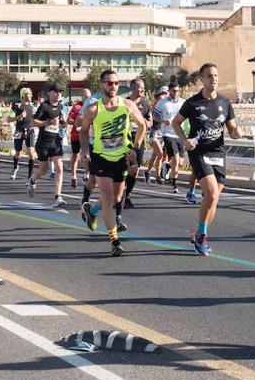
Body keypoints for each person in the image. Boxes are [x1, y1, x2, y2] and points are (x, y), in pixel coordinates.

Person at [169, 62, 242, 256]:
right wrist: (185, 141)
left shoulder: (225, 102)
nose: (213, 79)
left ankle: (197, 232)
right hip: (199, 152)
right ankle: (202, 236)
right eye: (209, 76)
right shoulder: (192, 103)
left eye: (216, 75)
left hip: (218, 153)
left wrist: (236, 132)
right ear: (202, 79)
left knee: (214, 198)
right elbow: (176, 123)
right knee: (211, 193)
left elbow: (232, 128)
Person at [79, 70, 149, 256]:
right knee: (109, 198)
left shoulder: (127, 105)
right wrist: (85, 151)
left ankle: (92, 210)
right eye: (109, 83)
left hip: (121, 157)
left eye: (116, 83)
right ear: (102, 85)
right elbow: (84, 131)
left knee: (118, 197)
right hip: (101, 156)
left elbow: (142, 125)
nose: (113, 86)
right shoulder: (93, 109)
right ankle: (114, 241)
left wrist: (135, 147)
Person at [32, 84, 68, 209]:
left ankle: (58, 196)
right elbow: (34, 122)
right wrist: (49, 122)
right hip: (43, 142)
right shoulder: (44, 106)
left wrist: (63, 124)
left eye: (60, 92)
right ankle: (32, 180)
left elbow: (62, 123)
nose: (59, 94)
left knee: (59, 168)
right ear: (49, 93)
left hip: (55, 141)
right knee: (43, 170)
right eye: (56, 92)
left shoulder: (61, 106)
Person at [121, 77, 152, 212]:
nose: (142, 89)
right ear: (133, 88)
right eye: (140, 87)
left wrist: (146, 122)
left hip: (139, 137)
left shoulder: (146, 104)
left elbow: (150, 122)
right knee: (124, 168)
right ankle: (120, 195)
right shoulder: (125, 102)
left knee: (135, 170)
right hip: (125, 138)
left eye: (143, 87)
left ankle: (125, 195)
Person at [154, 83, 184, 190]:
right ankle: (174, 185)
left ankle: (167, 165)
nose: (175, 93)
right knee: (175, 159)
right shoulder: (163, 103)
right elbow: (155, 116)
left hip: (180, 134)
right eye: (173, 91)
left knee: (180, 163)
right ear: (169, 91)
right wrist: (163, 121)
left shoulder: (183, 102)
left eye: (177, 91)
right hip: (167, 134)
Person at [10, 89, 37, 187]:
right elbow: (9, 119)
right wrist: (20, 116)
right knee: (18, 153)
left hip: (30, 131)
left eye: (31, 93)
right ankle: (15, 167)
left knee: (31, 154)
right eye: (28, 94)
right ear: (23, 95)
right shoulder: (17, 107)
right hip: (19, 131)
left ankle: (29, 177)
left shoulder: (33, 106)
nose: (31, 95)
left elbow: (36, 118)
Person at [68, 88, 90, 186]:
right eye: (86, 97)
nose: (89, 99)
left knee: (87, 156)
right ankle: (73, 176)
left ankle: (86, 174)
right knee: (75, 155)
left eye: (90, 97)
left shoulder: (92, 107)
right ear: (82, 97)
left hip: (87, 135)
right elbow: (69, 120)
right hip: (76, 136)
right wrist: (77, 122)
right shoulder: (77, 107)